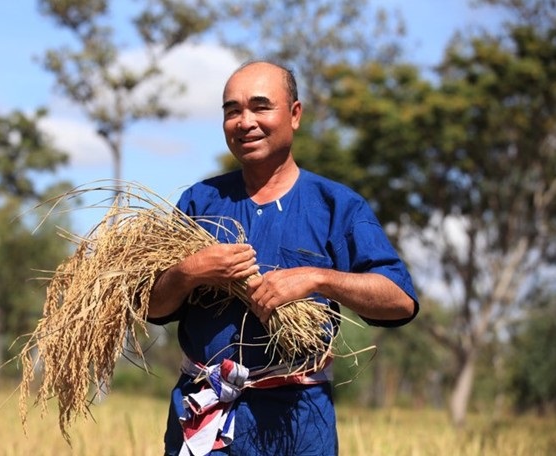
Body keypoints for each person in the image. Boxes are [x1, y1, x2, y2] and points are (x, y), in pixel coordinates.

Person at [147, 60, 419, 456]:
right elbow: (152, 306)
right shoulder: (198, 202)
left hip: (299, 424)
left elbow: (399, 301)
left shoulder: (336, 205)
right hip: (204, 418)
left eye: (260, 107)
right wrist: (190, 271)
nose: (244, 121)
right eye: (232, 110)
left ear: (294, 115)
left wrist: (317, 278)